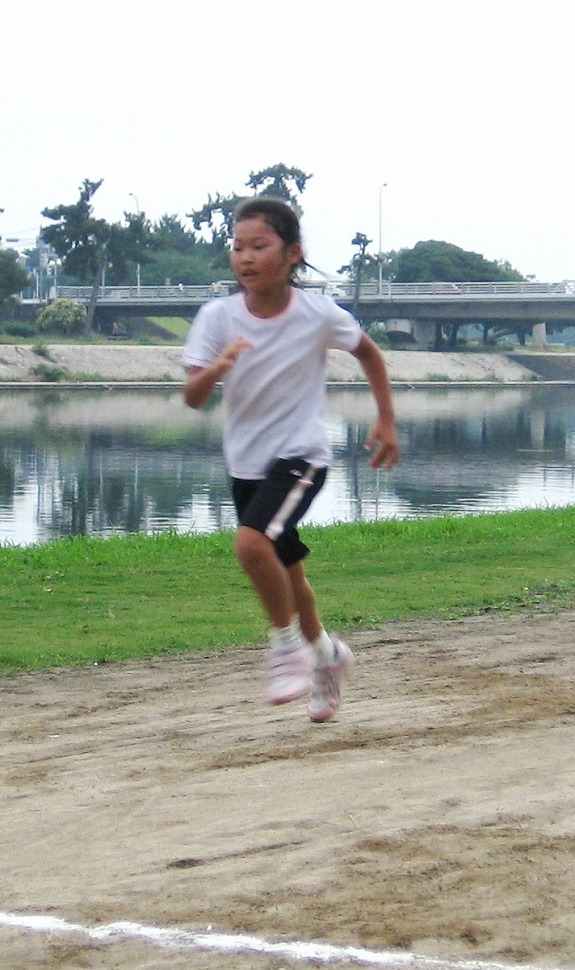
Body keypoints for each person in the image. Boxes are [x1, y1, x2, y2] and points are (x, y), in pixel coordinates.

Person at [182, 197, 399, 723]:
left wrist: (386, 420)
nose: (245, 257)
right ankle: (327, 655)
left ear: (293, 253)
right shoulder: (217, 317)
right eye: (237, 247)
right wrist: (218, 366)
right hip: (246, 465)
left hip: (302, 456)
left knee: (251, 545)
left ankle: (287, 650)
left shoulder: (317, 313)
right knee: (288, 574)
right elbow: (192, 395)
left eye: (260, 246)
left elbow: (367, 351)